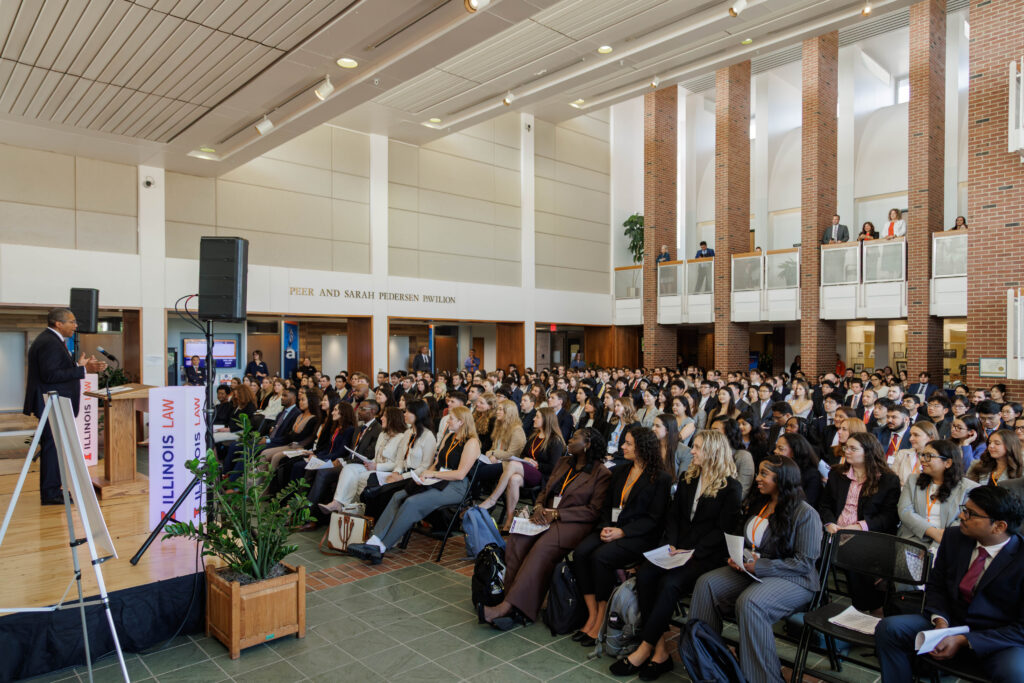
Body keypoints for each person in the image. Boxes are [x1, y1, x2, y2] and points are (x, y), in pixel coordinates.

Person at [616, 430, 742, 680]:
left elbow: (723, 530)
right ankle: (660, 651)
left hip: (705, 555)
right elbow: (673, 516)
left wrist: (693, 551)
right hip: (677, 549)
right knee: (645, 576)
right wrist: (672, 544)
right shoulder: (688, 477)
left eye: (697, 447)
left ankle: (645, 647)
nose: (691, 451)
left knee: (669, 584)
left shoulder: (731, 487)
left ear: (713, 453)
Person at [689, 455, 824, 683]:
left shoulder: (805, 513)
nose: (757, 478)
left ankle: (763, 678)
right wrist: (738, 557)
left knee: (751, 603)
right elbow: (752, 542)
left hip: (795, 579)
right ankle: (710, 665)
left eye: (764, 474)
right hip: (755, 570)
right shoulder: (762, 502)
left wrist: (759, 565)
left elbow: (804, 563)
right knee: (706, 583)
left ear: (782, 478)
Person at [875, 486, 1024, 682]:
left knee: (1015, 673)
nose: (962, 516)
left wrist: (965, 640)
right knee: (889, 629)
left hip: (995, 637)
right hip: (951, 621)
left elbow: (1021, 628)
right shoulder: (955, 537)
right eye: (964, 508)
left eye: (971, 514)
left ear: (999, 527)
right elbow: (936, 585)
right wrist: (941, 622)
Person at [479, 427, 611, 629]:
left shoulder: (601, 473)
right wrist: (539, 506)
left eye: (575, 437)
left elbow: (593, 511)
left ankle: (513, 607)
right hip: (546, 515)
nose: (569, 439)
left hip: (573, 523)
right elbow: (545, 489)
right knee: (517, 539)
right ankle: (510, 597)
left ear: (588, 444)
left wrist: (558, 514)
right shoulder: (563, 462)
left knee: (541, 549)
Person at [573, 426, 671, 646]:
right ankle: (591, 614)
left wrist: (623, 531)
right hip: (611, 528)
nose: (622, 447)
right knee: (580, 553)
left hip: (638, 535)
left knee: (600, 557)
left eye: (628, 444)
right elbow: (607, 506)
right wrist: (607, 526)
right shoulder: (619, 471)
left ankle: (602, 617)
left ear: (642, 448)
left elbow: (654, 519)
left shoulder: (660, 478)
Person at [348, 405, 480, 564]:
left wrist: (433, 474)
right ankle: (374, 540)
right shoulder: (449, 437)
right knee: (398, 495)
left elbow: (460, 474)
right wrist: (426, 475)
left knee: (412, 502)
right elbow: (436, 464)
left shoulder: (471, 442)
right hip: (437, 479)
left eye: (451, 418)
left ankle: (382, 547)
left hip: (455, 486)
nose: (447, 421)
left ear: (461, 422)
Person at [23, 308, 106, 504]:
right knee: (53, 448)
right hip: (51, 402)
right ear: (58, 324)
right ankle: (51, 494)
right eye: (72, 322)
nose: (76, 326)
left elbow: (55, 371)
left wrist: (77, 366)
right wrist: (82, 369)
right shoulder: (50, 343)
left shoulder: (50, 340)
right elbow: (51, 376)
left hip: (54, 402)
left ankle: (53, 490)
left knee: (54, 448)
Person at [819, 432, 900, 612]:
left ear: (868, 452)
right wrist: (829, 523)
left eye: (853, 448)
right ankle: (817, 598)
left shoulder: (887, 479)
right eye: (846, 447)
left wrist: (859, 526)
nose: (846, 451)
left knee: (856, 554)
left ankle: (870, 609)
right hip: (834, 532)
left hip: (867, 534)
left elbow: (889, 516)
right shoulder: (837, 474)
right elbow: (825, 506)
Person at [478, 407, 565, 531]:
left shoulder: (555, 441)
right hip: (526, 472)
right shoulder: (534, 435)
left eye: (538, 417)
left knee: (513, 464)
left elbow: (553, 467)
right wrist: (526, 459)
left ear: (547, 420)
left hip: (542, 476)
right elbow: (523, 454)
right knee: (514, 479)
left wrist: (537, 464)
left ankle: (492, 499)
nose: (534, 418)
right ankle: (509, 521)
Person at [898, 439, 979, 552]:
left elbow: (961, 521)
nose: (922, 459)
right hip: (913, 537)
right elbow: (905, 511)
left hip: (948, 541)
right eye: (922, 455)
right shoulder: (913, 480)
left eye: (929, 456)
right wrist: (933, 532)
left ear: (948, 463)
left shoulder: (968, 488)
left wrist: (937, 544)